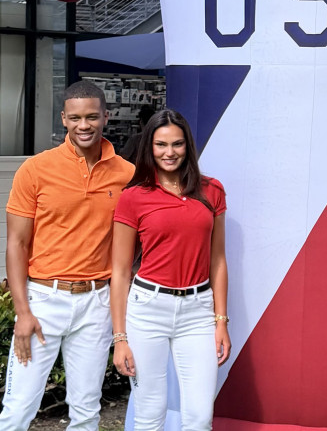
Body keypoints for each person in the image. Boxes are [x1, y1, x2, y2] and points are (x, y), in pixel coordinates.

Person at [0, 80, 135, 431]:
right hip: (43, 300)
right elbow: (16, 244)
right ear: (63, 119)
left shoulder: (127, 174)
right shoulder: (35, 169)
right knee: (18, 410)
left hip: (97, 302)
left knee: (86, 411)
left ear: (106, 116)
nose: (84, 125)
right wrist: (22, 312)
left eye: (92, 117)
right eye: (75, 118)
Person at [110, 109, 231, 431]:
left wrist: (221, 321)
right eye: (161, 144)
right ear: (149, 147)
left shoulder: (212, 191)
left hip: (198, 311)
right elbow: (120, 271)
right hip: (147, 309)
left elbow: (218, 260)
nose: (169, 152)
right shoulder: (133, 197)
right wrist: (120, 338)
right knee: (149, 413)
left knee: (200, 417)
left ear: (187, 145)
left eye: (177, 144)